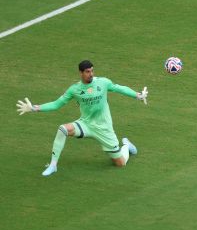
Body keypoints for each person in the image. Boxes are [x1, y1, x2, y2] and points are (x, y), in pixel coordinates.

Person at [16, 60, 148, 176]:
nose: (91, 74)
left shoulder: (103, 82)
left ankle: (126, 145)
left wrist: (138, 95)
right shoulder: (74, 89)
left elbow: (120, 88)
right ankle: (53, 165)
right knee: (63, 129)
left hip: (104, 128)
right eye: (87, 71)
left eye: (92, 71)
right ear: (81, 73)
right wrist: (34, 108)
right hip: (86, 124)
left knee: (120, 163)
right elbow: (56, 104)